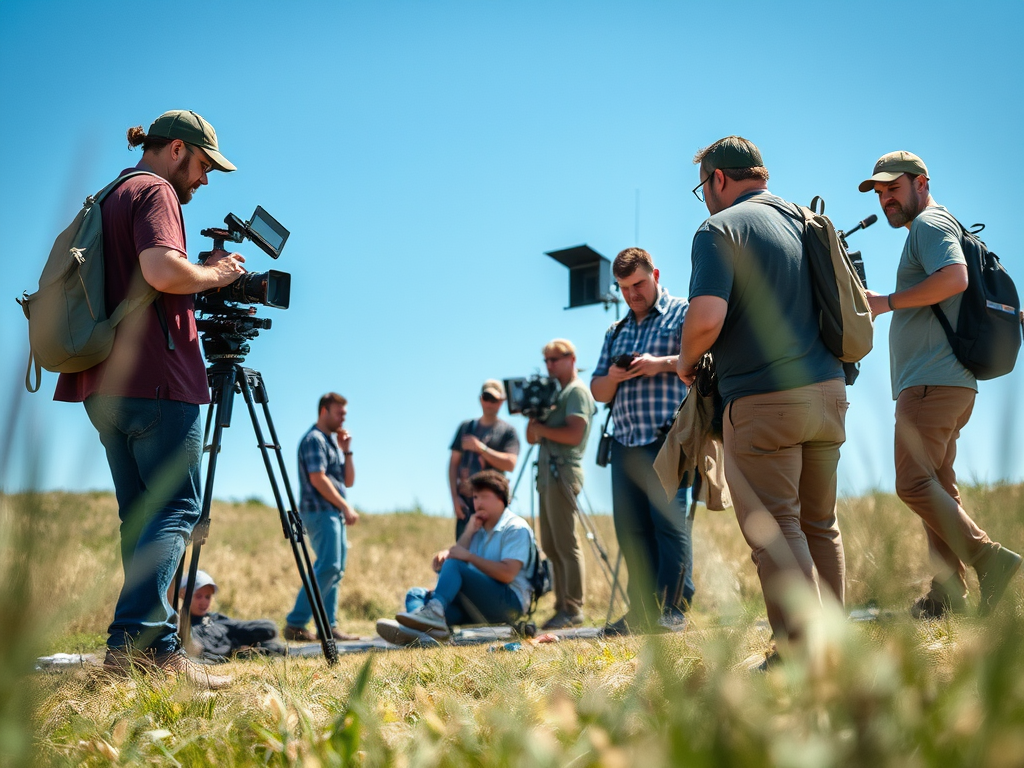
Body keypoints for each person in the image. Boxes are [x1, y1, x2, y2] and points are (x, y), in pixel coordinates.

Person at [54, 110, 245, 688]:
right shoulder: (155, 189)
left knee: (139, 517)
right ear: (179, 151)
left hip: (101, 384)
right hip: (157, 381)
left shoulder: (110, 193)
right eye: (205, 166)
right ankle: (129, 648)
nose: (205, 180)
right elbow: (163, 270)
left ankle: (159, 651)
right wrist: (216, 273)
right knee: (174, 511)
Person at [678, 136, 848, 654]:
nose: (704, 197)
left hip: (762, 400)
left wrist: (686, 362)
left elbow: (707, 318)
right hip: (829, 394)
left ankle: (803, 650)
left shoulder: (719, 228)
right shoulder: (805, 220)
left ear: (719, 180)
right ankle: (837, 644)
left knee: (776, 531)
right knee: (821, 525)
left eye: (701, 187)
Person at [859, 151, 1021, 618]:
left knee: (912, 483)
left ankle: (990, 559)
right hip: (950, 383)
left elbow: (954, 278)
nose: (887, 197)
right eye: (880, 191)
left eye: (894, 187)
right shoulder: (938, 225)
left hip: (931, 382)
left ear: (921, 184)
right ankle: (946, 595)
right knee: (937, 487)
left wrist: (887, 302)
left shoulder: (930, 226)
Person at [591, 247, 693, 635]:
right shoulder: (615, 331)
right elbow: (598, 389)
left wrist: (658, 364)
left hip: (669, 439)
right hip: (625, 444)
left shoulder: (683, 313)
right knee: (631, 530)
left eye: (638, 284)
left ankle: (674, 609)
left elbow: (700, 360)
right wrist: (619, 375)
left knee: (669, 525)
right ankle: (642, 611)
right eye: (624, 288)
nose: (632, 294)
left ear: (655, 274)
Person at [377, 470, 536, 645]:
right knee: (415, 594)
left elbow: (507, 574)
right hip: (475, 603)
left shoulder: (515, 527)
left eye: (484, 496)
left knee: (455, 564)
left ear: (501, 499)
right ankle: (425, 635)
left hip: (509, 603)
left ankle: (427, 621)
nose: (478, 502)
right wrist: (467, 533)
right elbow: (456, 556)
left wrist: (465, 557)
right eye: (475, 497)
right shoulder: (477, 529)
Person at [527, 339, 597, 630]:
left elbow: (574, 434)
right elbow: (532, 437)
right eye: (546, 361)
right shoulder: (557, 393)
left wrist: (542, 428)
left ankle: (572, 608)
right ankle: (561, 607)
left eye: (555, 359)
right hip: (548, 474)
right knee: (551, 545)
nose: (550, 366)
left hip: (562, 472)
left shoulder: (577, 392)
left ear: (572, 359)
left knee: (566, 543)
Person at [284, 393, 362, 642]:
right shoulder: (314, 440)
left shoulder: (330, 443)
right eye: (339, 413)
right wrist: (345, 507)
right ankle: (296, 623)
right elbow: (318, 479)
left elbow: (348, 481)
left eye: (344, 414)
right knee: (328, 566)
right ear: (324, 411)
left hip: (332, 512)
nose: (343, 418)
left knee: (335, 570)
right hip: (319, 511)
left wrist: (347, 451)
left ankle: (328, 626)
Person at [449, 380, 520, 540]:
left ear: (502, 402)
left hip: (492, 506)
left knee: (490, 555)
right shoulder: (466, 427)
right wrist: (455, 498)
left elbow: (510, 464)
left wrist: (481, 448)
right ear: (481, 399)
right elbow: (453, 464)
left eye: (494, 399)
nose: (489, 403)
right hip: (466, 504)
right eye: (487, 398)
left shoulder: (508, 432)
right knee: (463, 554)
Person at [178, 571, 286, 660]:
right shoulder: (184, 626)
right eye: (198, 596)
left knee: (269, 632)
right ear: (183, 595)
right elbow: (200, 653)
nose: (204, 602)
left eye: (207, 597)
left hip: (237, 646)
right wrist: (235, 652)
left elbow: (266, 628)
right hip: (224, 656)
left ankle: (294, 652)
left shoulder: (215, 619)